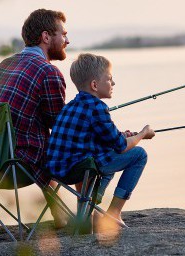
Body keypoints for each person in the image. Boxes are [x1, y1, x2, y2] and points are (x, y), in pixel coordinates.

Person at [0, 9, 70, 227]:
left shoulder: (3, 65)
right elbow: (59, 127)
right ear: (46, 37)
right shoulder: (48, 72)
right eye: (63, 34)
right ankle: (83, 218)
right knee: (72, 145)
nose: (67, 40)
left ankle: (60, 216)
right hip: (14, 165)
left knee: (40, 143)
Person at [46, 53, 155, 228]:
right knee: (139, 155)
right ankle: (113, 213)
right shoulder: (97, 107)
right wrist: (142, 133)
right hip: (80, 169)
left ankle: (90, 210)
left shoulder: (70, 106)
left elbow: (97, 135)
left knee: (106, 153)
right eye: (109, 79)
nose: (113, 84)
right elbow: (120, 146)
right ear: (95, 85)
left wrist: (122, 135)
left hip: (57, 170)